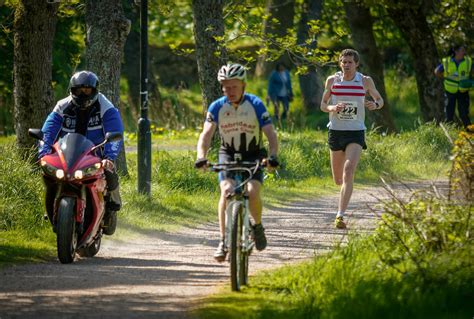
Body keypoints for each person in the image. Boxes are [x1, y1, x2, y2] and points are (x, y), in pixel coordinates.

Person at [195, 63, 279, 262]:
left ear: (243, 85)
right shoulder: (217, 106)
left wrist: (273, 156)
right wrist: (201, 157)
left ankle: (257, 226)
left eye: (233, 86)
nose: (229, 91)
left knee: (253, 191)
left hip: (254, 154)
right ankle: (224, 240)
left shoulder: (256, 104)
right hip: (228, 153)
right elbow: (206, 135)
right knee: (226, 191)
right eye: (225, 87)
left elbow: (270, 134)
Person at [39, 70, 124, 234]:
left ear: (95, 90)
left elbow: (116, 131)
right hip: (66, 154)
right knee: (48, 175)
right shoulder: (62, 106)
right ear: (72, 90)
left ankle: (112, 205)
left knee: (109, 172)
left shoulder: (106, 107)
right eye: (79, 90)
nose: (83, 94)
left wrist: (109, 157)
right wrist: (43, 154)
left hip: (94, 155)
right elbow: (48, 132)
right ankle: (52, 207)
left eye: (88, 90)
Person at [320, 49, 384, 229]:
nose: (346, 65)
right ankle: (342, 197)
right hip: (336, 132)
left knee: (349, 171)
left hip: (356, 132)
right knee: (338, 180)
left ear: (356, 64)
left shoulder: (365, 81)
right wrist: (332, 108)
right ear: (340, 64)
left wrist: (375, 104)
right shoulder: (332, 81)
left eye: (350, 62)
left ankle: (340, 215)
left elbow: (380, 100)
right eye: (343, 62)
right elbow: (323, 105)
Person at [434, 44, 473, 129]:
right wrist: (445, 77)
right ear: (456, 51)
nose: (464, 52)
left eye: (464, 50)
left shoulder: (468, 61)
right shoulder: (447, 62)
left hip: (463, 91)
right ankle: (450, 133)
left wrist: (470, 81)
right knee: (449, 114)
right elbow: (437, 71)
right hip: (450, 91)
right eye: (462, 50)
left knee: (464, 114)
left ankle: (470, 132)